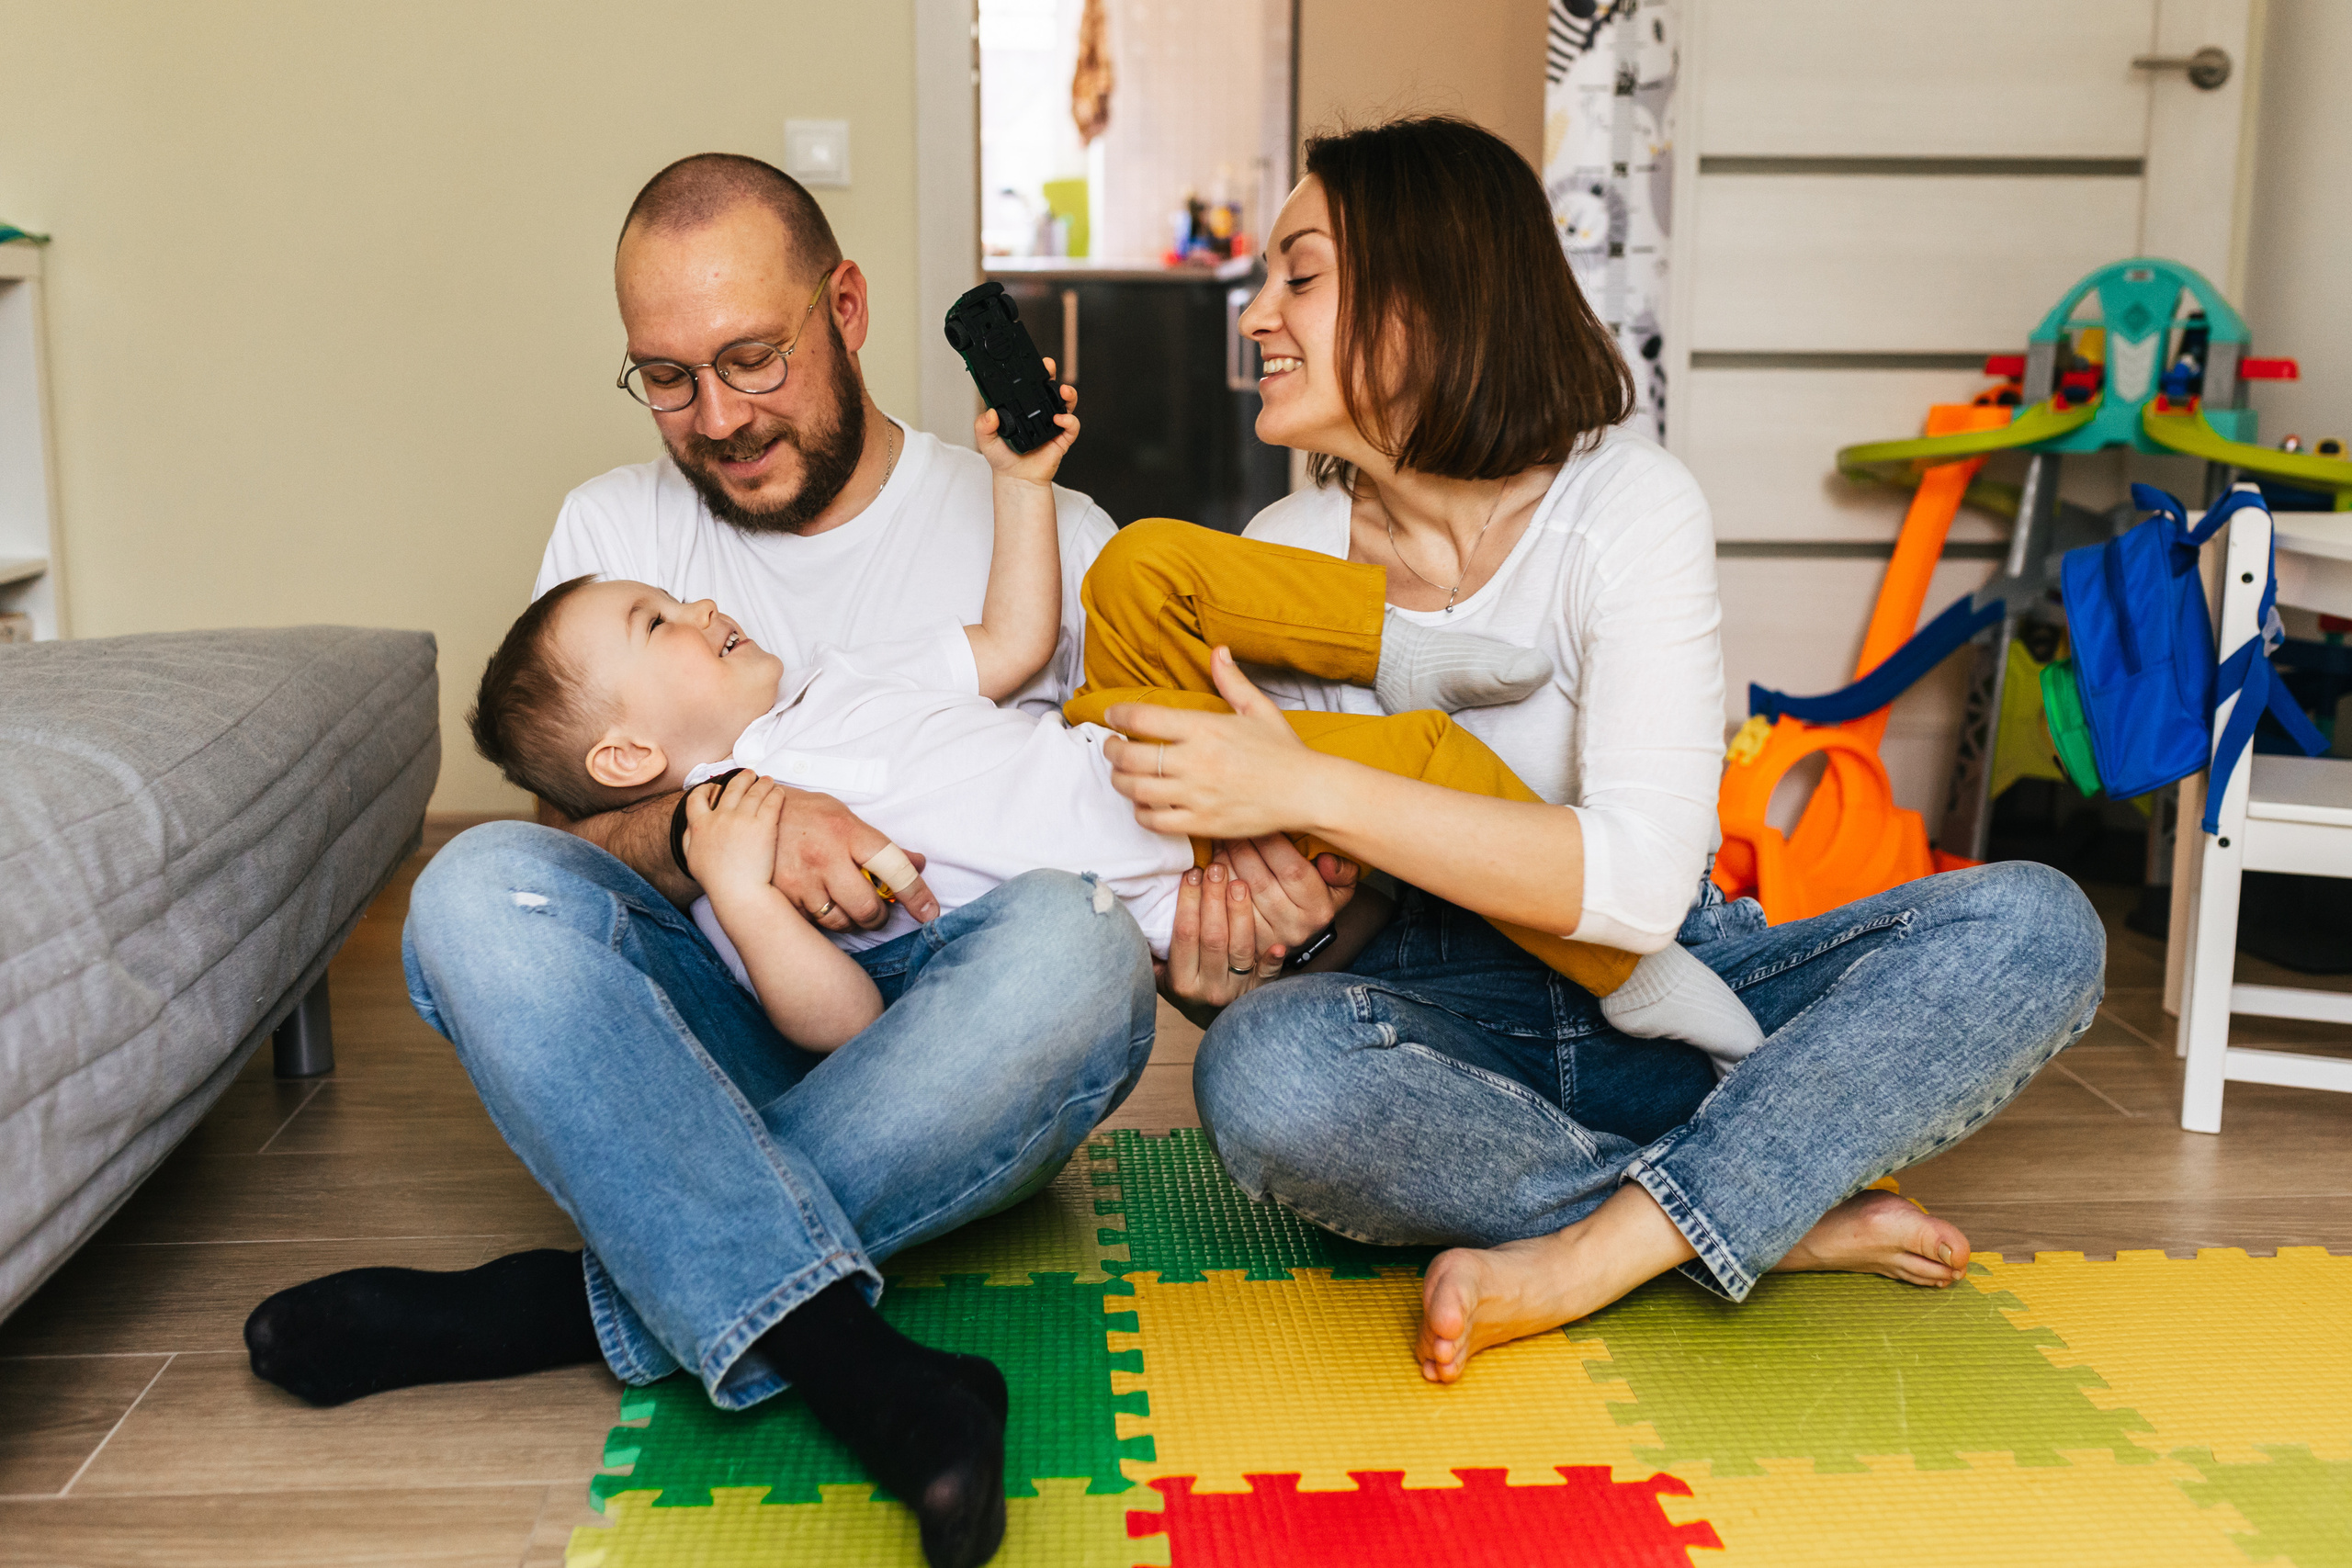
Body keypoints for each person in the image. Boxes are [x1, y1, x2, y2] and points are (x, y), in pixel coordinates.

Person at [1101, 116, 2107, 1387]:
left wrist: (1304, 783)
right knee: (1262, 1074)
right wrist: (1264, 946)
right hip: (1445, 1013)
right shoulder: (1280, 548)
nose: (1255, 314)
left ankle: (1590, 1254)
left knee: (2038, 927)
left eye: (1301, 275)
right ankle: (1749, 1207)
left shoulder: (1623, 507)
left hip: (1681, 985)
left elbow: (1634, 889)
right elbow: (1330, 945)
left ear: (1433, 294)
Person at [242, 153, 1137, 1568]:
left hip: (950, 1062)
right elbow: (572, 834)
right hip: (719, 1038)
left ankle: (567, 1303)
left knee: (1080, 950)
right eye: (665, 378)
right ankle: (854, 1365)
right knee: (474, 890)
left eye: (750, 359)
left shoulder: (1040, 532)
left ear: (844, 307)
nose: (715, 419)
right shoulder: (612, 539)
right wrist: (750, 829)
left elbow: (1112, 783)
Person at [471, 391, 1762, 1066]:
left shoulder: (837, 683)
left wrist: (1020, 485)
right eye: (657, 626)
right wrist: (746, 901)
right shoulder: (740, 835)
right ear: (632, 757)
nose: (697, 604)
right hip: (1184, 845)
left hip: (1131, 751)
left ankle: (1411, 649)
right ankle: (1632, 973)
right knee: (1419, 770)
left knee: (1140, 562)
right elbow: (831, 1022)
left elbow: (1014, 648)